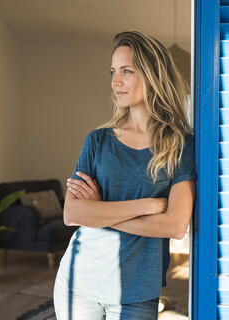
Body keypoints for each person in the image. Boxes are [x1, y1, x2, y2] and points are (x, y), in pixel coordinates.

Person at [53, 30, 196, 320]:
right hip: (78, 284)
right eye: (113, 72)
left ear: (152, 75)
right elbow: (72, 214)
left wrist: (99, 210)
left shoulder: (182, 145)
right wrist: (145, 206)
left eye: (126, 71)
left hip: (138, 291)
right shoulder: (98, 141)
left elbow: (174, 225)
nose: (115, 82)